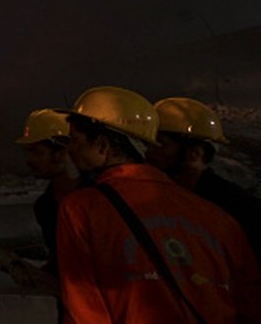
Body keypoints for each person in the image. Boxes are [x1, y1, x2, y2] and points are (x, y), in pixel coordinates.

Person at [54, 86, 261, 323]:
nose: (68, 149)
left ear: (102, 144)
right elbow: (250, 302)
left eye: (73, 140)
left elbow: (85, 310)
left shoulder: (82, 208)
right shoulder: (219, 216)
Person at [146, 97, 261, 265]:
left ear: (195, 154)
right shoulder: (158, 196)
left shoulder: (237, 210)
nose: (150, 152)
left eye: (161, 144)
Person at [13, 109, 82, 283]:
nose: (29, 160)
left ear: (62, 153)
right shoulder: (46, 206)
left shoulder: (98, 196)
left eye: (36, 152)